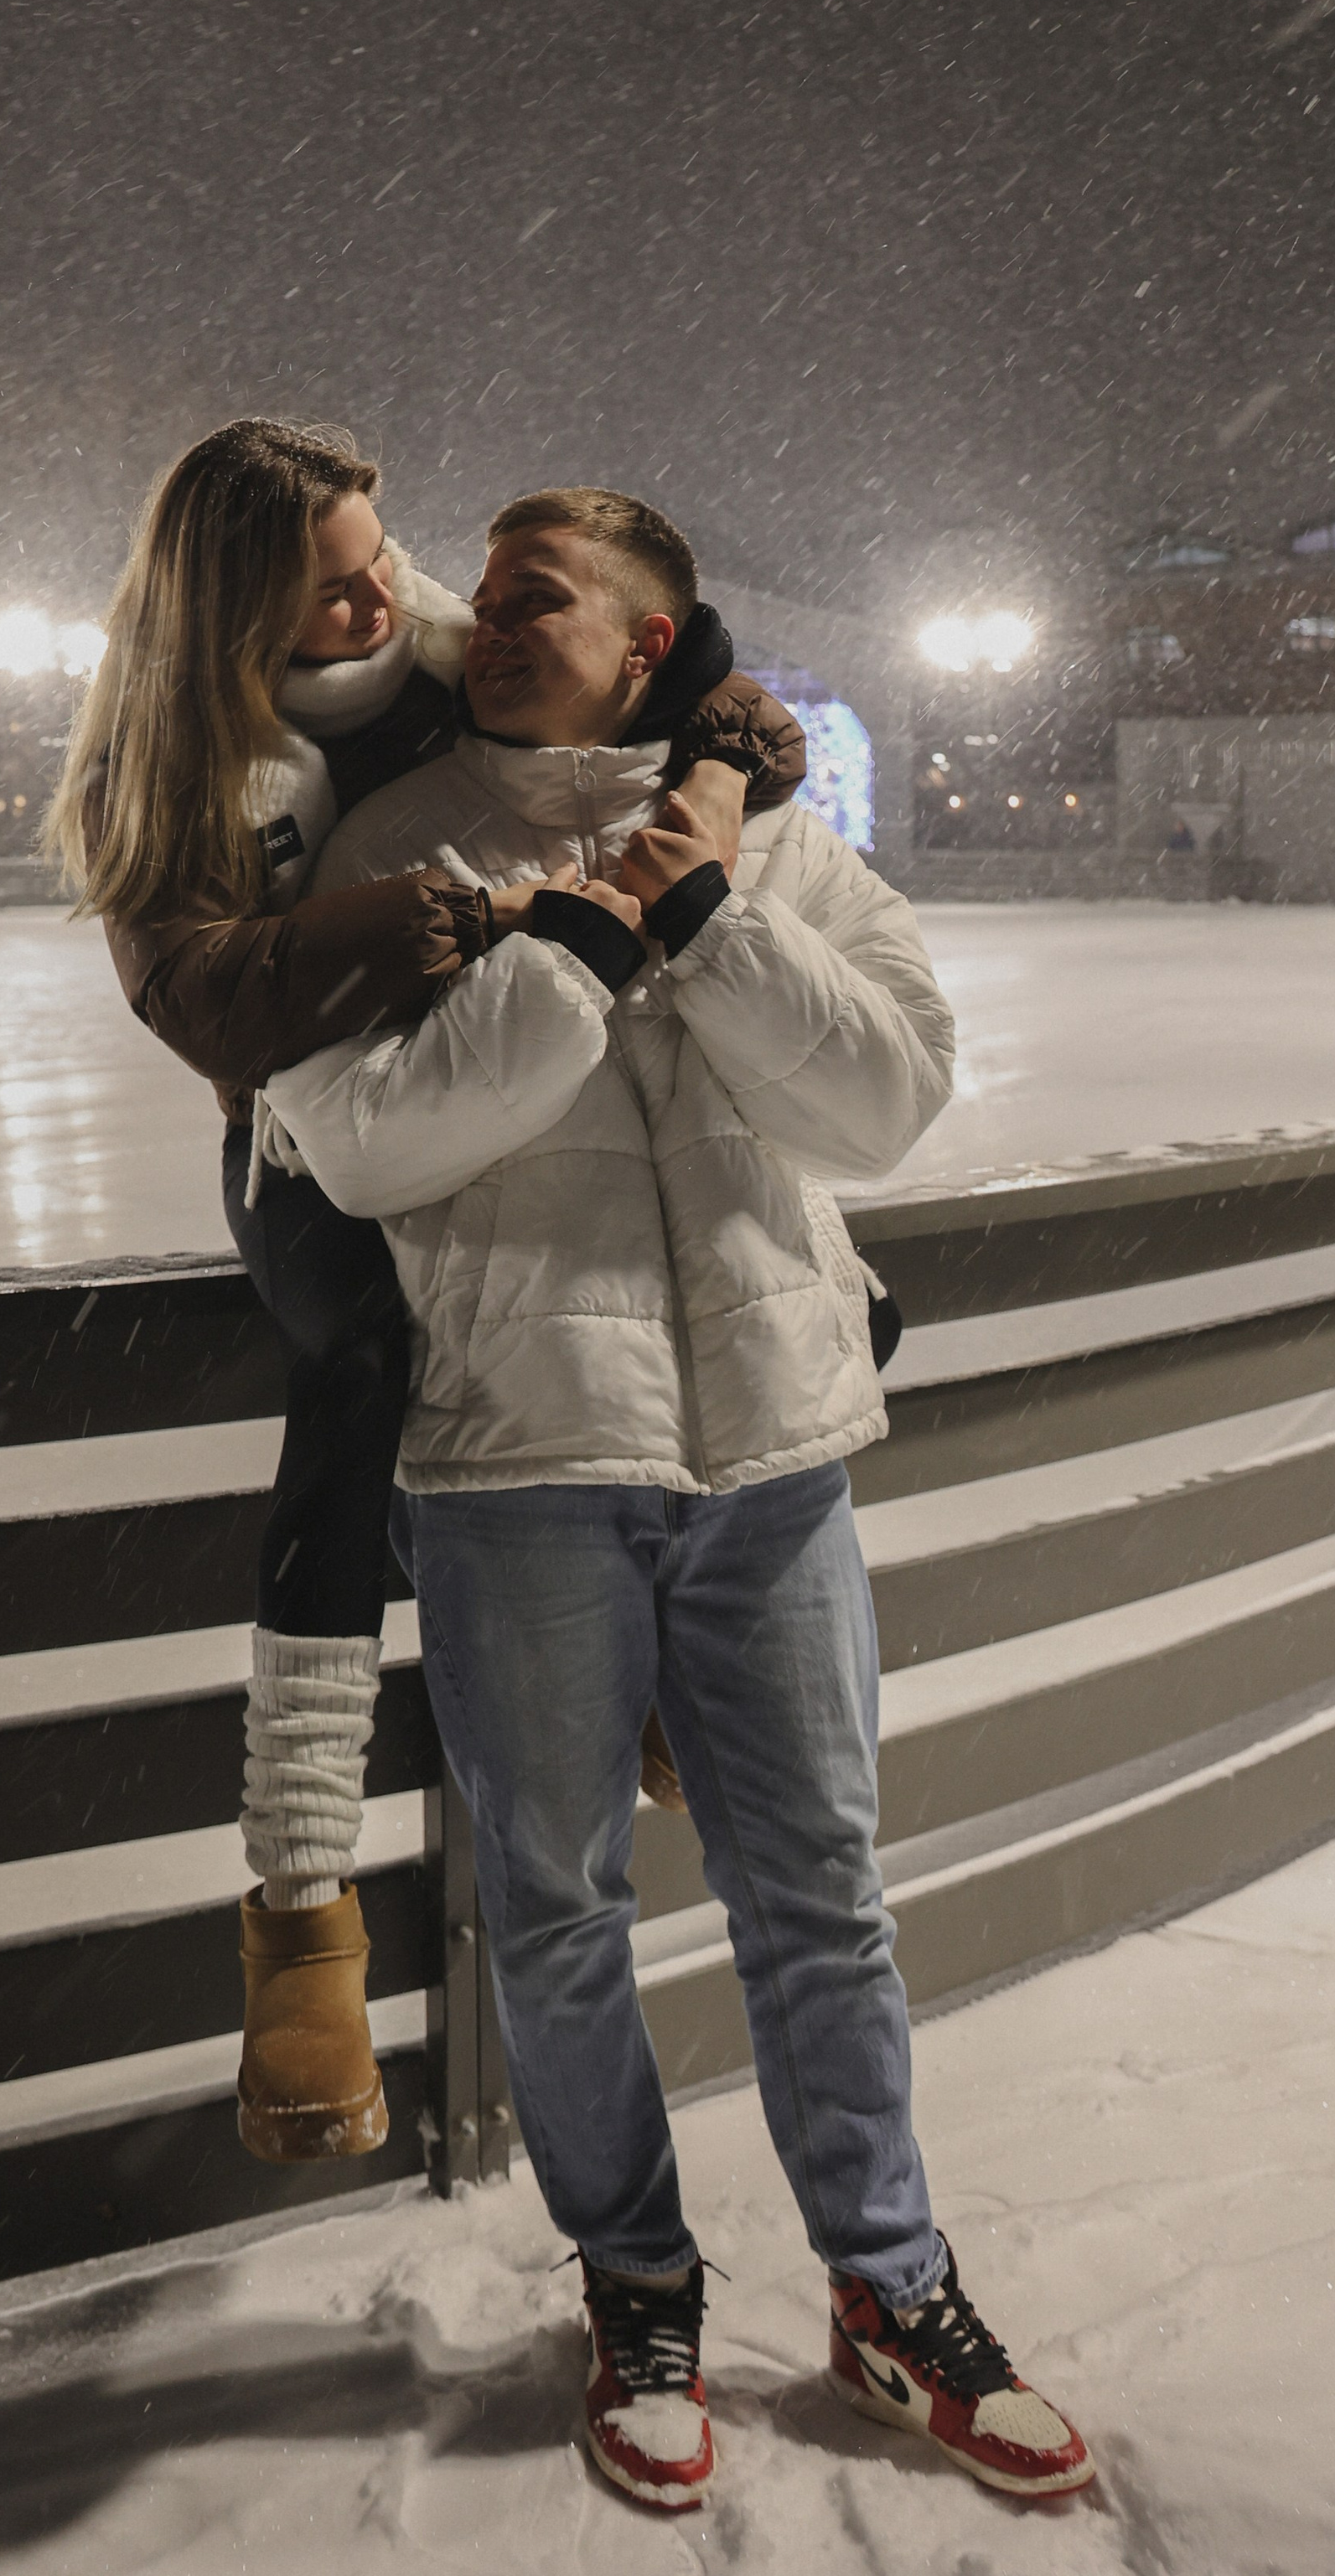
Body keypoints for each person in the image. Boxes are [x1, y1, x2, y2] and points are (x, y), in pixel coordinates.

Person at [261, 487, 1094, 2512]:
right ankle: (634, 2280)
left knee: (820, 1898)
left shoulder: (792, 846)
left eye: (542, 596)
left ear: (652, 641)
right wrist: (578, 941)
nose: (490, 616)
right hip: (520, 1466)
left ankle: (889, 2287)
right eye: (497, 587)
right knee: (552, 1909)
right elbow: (358, 1143)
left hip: (774, 1463)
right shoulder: (388, 854)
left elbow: (884, 1104)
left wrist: (710, 919)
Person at [46, 424, 808, 2165]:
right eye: (334, 578)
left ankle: (627, 1671)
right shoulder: (156, 769)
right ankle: (299, 1912)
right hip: (310, 1128)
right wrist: (452, 911)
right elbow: (215, 1009)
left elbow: (664, 659)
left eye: (382, 552)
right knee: (374, 1356)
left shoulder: (441, 634)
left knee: (721, 1278)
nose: (383, 593)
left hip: (513, 1077)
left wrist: (716, 742)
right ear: (234, 611)